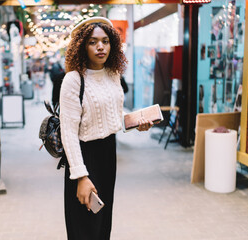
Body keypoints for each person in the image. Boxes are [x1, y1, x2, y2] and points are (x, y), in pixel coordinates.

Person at [59, 17, 153, 240]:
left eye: (105, 41)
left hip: (108, 155)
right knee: (84, 225)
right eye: (93, 42)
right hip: (84, 157)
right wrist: (81, 176)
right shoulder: (73, 80)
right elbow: (68, 132)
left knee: (102, 224)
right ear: (82, 45)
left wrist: (135, 123)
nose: (100, 46)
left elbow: (113, 115)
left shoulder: (113, 75)